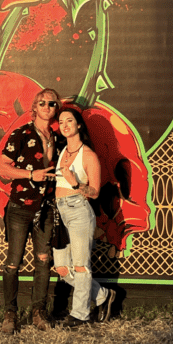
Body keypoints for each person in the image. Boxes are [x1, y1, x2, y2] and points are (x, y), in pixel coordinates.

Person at [0, 87, 61, 333]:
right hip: (20, 207)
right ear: (34, 107)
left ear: (57, 109)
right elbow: (2, 168)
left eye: (52, 104)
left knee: (44, 261)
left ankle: (38, 312)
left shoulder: (59, 138)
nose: (47, 107)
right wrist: (31, 174)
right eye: (42, 103)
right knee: (13, 262)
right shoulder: (21, 134)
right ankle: (10, 314)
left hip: (46, 208)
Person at [52, 106, 115, 327]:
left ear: (79, 125)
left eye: (69, 121)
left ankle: (79, 314)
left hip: (79, 210)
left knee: (81, 265)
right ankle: (102, 296)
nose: (65, 125)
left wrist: (76, 183)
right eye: (61, 122)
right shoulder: (61, 151)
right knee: (62, 269)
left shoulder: (88, 155)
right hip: (59, 210)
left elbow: (95, 192)